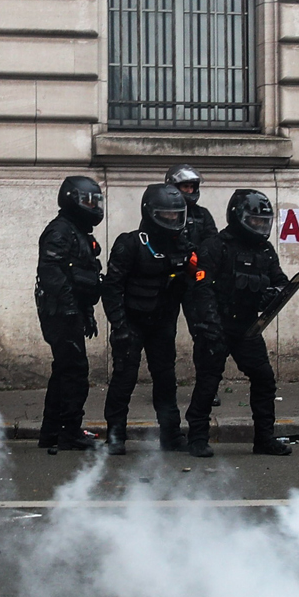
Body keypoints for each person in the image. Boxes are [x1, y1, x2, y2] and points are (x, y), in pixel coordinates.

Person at [186, 189, 290, 458]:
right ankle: (197, 437)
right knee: (208, 383)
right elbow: (202, 288)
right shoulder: (216, 246)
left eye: (262, 222)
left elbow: (280, 281)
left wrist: (273, 293)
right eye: (254, 221)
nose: (259, 227)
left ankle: (264, 438)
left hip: (247, 326)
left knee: (264, 379)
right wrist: (209, 327)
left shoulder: (265, 250)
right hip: (217, 325)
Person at [101, 183, 192, 455]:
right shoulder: (130, 244)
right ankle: (115, 436)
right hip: (131, 321)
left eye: (176, 215)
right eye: (166, 215)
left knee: (166, 379)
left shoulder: (182, 245)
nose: (172, 220)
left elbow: (193, 285)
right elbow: (112, 287)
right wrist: (118, 325)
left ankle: (171, 435)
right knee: (124, 378)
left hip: (162, 323)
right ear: (151, 213)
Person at [36, 176, 105, 453]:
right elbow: (51, 272)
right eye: (87, 200)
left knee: (63, 371)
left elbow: (82, 277)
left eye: (95, 201)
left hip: (70, 310)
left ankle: (51, 432)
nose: (93, 206)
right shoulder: (60, 231)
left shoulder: (77, 231)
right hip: (59, 313)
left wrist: (86, 312)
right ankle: (69, 433)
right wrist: (69, 308)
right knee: (75, 372)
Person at [166, 163, 221, 408]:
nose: (188, 190)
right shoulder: (163, 209)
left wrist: (198, 261)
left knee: (204, 334)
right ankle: (165, 386)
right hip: (166, 281)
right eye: (184, 186)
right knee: (164, 336)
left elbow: (213, 243)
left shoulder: (202, 215)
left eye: (191, 186)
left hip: (194, 283)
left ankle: (207, 387)